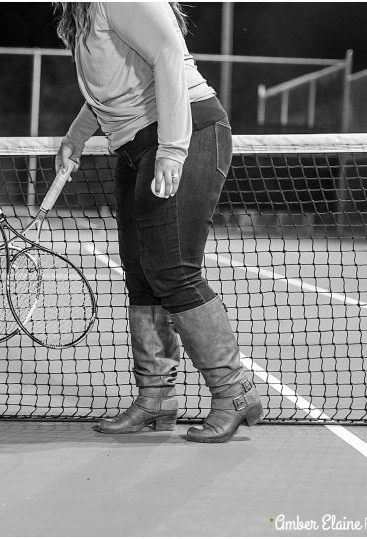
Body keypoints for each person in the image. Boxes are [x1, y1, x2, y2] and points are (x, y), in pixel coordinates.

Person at [54, 2, 263, 442]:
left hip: (181, 131)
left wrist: (172, 148)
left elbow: (168, 54)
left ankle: (235, 393)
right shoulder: (85, 9)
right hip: (134, 142)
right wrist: (75, 136)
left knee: (173, 271)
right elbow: (113, 88)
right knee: (143, 274)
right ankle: (157, 399)